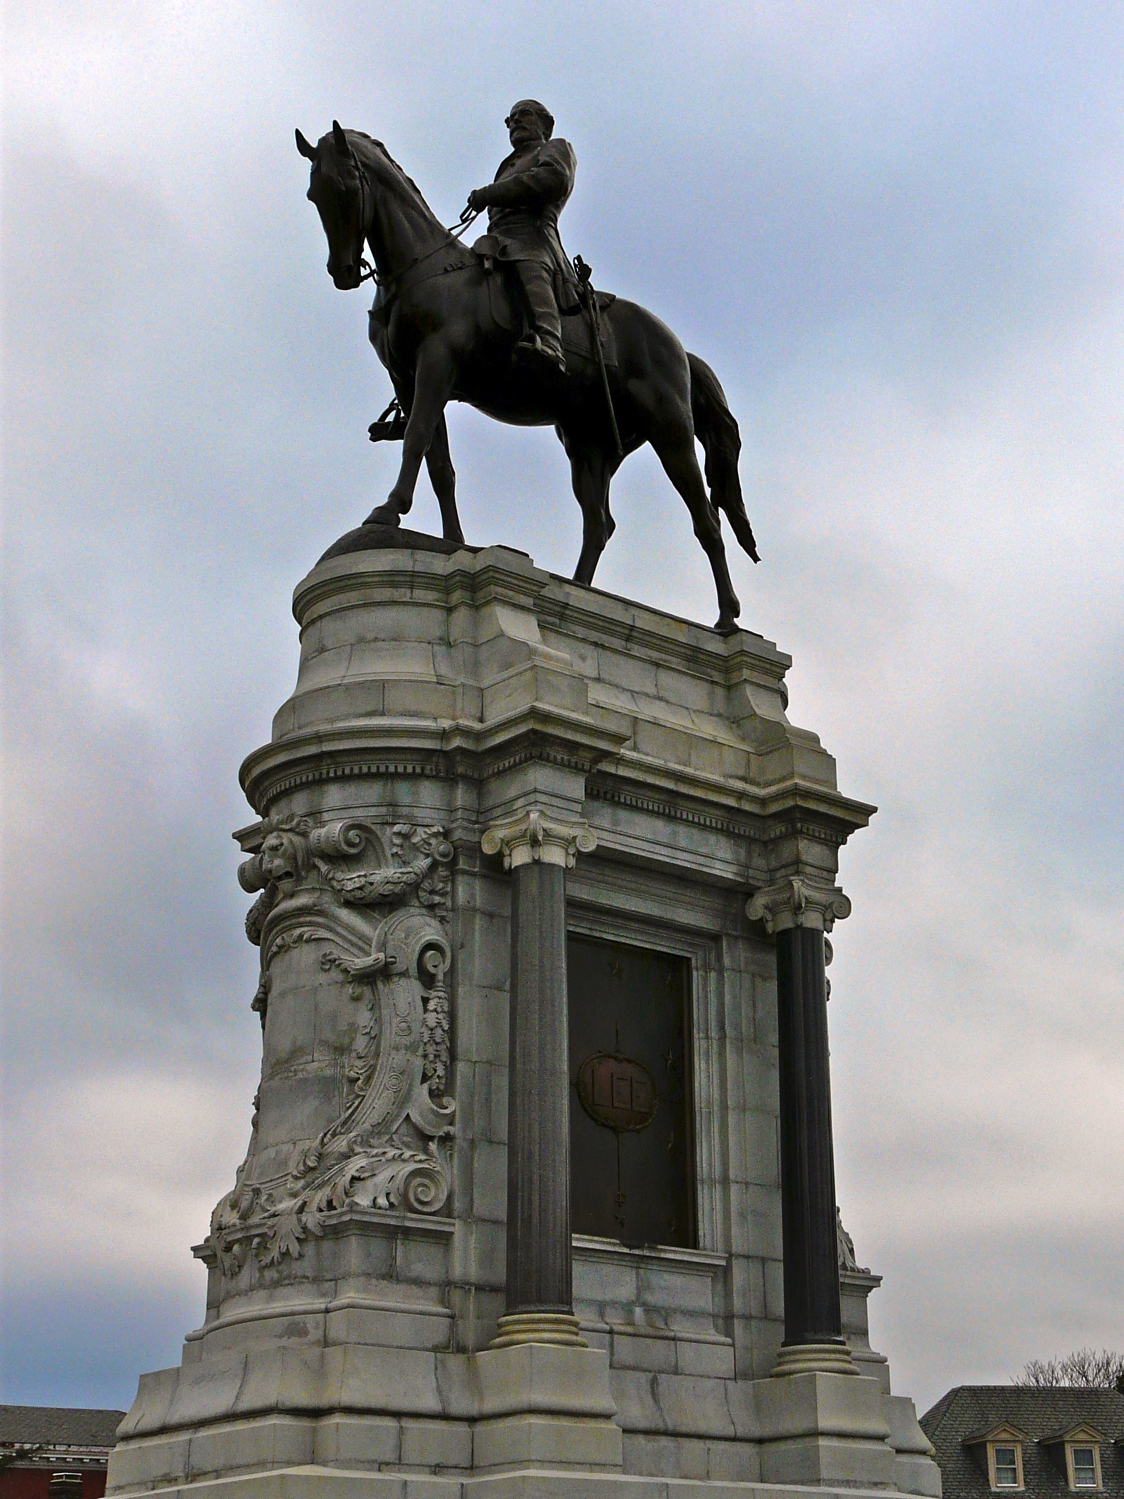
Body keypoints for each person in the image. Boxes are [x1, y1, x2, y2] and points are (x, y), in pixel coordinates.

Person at [466, 100, 578, 372]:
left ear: (545, 124)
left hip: (533, 238)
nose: (515, 121)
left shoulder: (555, 147)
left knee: (529, 265)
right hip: (497, 240)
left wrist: (490, 193)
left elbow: (553, 180)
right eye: (510, 118)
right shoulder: (507, 165)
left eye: (524, 114)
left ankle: (550, 343)